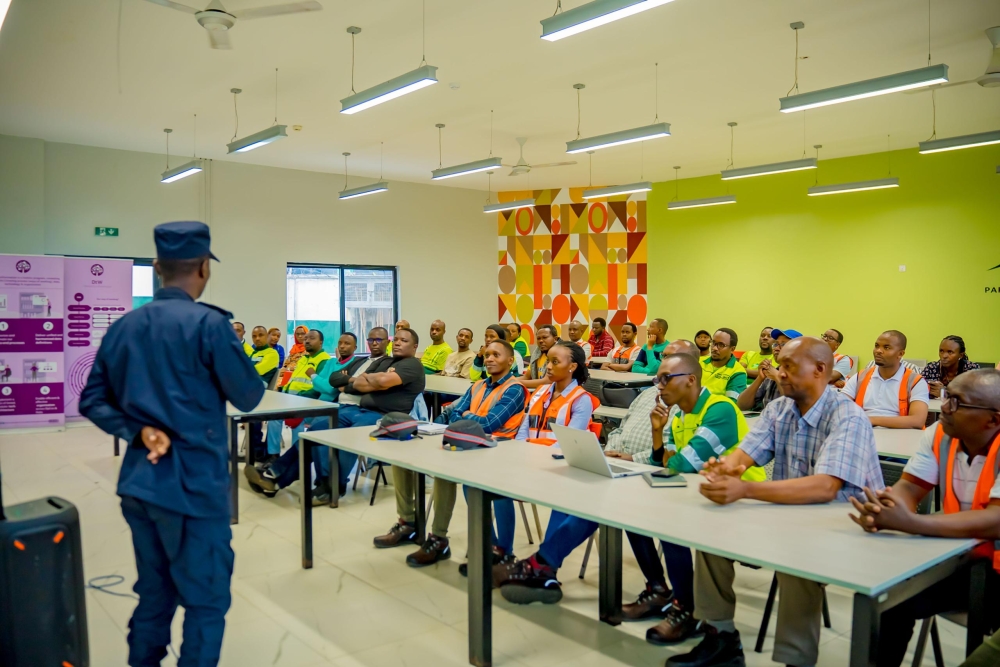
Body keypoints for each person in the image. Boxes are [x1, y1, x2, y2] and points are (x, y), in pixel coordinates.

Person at [79, 221, 264, 667]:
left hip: (140, 485)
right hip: (193, 491)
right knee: (205, 600)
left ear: (158, 267)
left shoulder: (125, 326)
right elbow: (249, 395)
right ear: (204, 268)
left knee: (154, 594)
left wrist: (138, 432)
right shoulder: (210, 325)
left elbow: (91, 400)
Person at [666, 337, 883, 667]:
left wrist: (745, 490)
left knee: (799, 561)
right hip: (789, 519)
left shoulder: (847, 417)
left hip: (845, 530)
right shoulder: (779, 408)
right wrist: (723, 468)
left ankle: (796, 660)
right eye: (779, 366)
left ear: (820, 370)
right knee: (710, 535)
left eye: (788, 367)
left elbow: (826, 487)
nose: (779, 373)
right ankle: (720, 638)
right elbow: (744, 454)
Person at [848, 369, 1000, 667]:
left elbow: (995, 521)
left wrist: (911, 523)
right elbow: (909, 488)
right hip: (965, 558)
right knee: (892, 598)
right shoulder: (940, 433)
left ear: (993, 419)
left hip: (994, 569)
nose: (943, 406)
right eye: (947, 397)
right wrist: (885, 510)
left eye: (957, 402)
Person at [620, 350, 764, 644]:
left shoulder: (719, 409)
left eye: (665, 379)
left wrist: (667, 460)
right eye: (657, 379)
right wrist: (657, 433)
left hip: (742, 501)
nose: (658, 386)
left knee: (671, 525)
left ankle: (686, 607)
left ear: (690, 380)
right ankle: (659, 590)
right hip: (698, 494)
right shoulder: (678, 415)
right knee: (630, 512)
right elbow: (665, 464)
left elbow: (681, 465)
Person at [378, 339, 528, 564]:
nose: (489, 359)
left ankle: (491, 548)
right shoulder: (477, 385)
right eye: (487, 355)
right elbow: (452, 413)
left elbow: (489, 424)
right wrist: (464, 416)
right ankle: (408, 523)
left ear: (510, 360)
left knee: (454, 475)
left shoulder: (514, 389)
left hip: (497, 451)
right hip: (467, 444)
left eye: (496, 355)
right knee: (403, 456)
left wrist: (465, 416)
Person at [250, 328, 426, 498]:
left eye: (403, 340)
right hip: (357, 409)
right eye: (396, 339)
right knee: (314, 434)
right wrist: (360, 380)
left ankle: (331, 487)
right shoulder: (387, 363)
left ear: (415, 346)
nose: (397, 343)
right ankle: (276, 477)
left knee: (347, 438)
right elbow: (344, 380)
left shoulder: (411, 364)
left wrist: (367, 381)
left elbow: (379, 380)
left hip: (383, 417)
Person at [495, 343, 607, 603]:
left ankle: (547, 568)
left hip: (557, 466)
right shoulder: (540, 393)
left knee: (564, 500)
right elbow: (524, 429)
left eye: (556, 361)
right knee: (490, 486)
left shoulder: (581, 400)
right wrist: (519, 455)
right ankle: (501, 551)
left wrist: (536, 461)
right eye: (548, 361)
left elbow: (568, 443)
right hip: (528, 463)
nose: (549, 365)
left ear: (572, 367)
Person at [252, 332, 368, 495]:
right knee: (279, 420)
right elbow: (326, 386)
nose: (342, 346)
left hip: (329, 406)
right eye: (340, 342)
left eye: (347, 344)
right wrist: (329, 382)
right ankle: (273, 468)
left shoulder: (351, 365)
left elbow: (328, 388)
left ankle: (276, 475)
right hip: (317, 403)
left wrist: (313, 375)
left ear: (355, 347)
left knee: (307, 434)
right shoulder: (332, 362)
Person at [841, 330, 930, 429]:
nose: (878, 350)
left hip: (900, 435)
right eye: (877, 346)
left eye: (886, 347)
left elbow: (917, 421)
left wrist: (871, 420)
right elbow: (839, 407)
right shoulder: (860, 377)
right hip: (863, 432)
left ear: (900, 354)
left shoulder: (915, 381)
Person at [737, 328, 801, 412]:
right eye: (775, 344)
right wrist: (760, 378)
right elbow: (742, 405)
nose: (776, 348)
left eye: (783, 344)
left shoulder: (801, 375)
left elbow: (793, 409)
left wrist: (776, 376)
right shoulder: (771, 373)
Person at [700, 328, 747, 400]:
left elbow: (730, 403)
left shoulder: (738, 372)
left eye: (721, 345)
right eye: (713, 343)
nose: (714, 348)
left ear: (732, 349)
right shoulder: (699, 362)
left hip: (714, 409)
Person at [521, 324, 559, 389]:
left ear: (555, 339)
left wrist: (514, 382)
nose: (541, 341)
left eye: (545, 337)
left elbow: (547, 381)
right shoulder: (536, 354)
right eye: (538, 338)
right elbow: (527, 377)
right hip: (538, 392)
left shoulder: (558, 355)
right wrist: (508, 381)